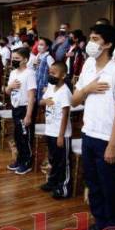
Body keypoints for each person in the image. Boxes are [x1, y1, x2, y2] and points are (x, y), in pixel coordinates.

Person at [72, 24, 115, 230]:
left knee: (109, 186)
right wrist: (87, 89)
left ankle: (114, 226)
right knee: (93, 183)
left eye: (95, 39)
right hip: (88, 133)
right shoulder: (88, 65)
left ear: (107, 44)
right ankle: (100, 221)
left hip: (107, 138)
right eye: (90, 37)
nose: (90, 43)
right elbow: (74, 99)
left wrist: (113, 144)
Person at [39, 62, 73, 198]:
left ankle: (64, 187)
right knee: (53, 159)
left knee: (62, 162)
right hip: (50, 130)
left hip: (61, 134)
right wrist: (45, 101)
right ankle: (53, 182)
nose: (50, 75)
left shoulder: (65, 91)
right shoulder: (51, 88)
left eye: (54, 73)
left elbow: (65, 115)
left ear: (63, 75)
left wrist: (61, 135)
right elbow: (41, 101)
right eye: (50, 72)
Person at [5, 47, 37, 174]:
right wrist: (10, 86)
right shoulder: (13, 73)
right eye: (13, 58)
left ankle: (27, 162)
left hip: (25, 108)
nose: (14, 61)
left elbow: (31, 96)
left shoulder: (30, 73)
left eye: (17, 59)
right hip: (15, 107)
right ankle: (20, 159)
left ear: (25, 60)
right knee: (18, 136)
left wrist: (28, 115)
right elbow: (7, 91)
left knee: (25, 136)